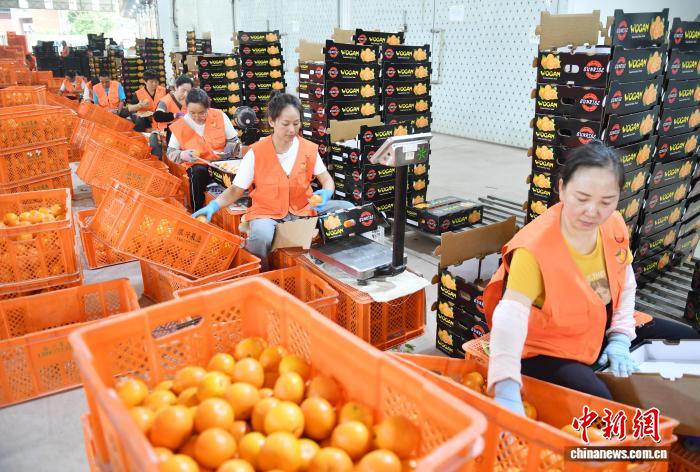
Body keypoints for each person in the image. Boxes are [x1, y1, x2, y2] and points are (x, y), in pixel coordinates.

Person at [483, 140, 700, 416]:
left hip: (600, 324)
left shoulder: (613, 224)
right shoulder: (534, 248)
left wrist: (620, 336)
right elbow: (510, 315)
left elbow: (625, 282)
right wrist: (505, 385)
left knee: (690, 341)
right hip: (549, 347)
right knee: (602, 404)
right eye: (582, 198)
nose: (592, 211)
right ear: (562, 188)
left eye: (606, 201)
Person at [193, 92, 354, 269]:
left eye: (296, 123)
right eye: (285, 124)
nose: (292, 130)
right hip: (268, 214)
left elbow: (327, 180)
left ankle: (334, 265)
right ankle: (264, 273)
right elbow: (236, 189)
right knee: (261, 237)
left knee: (348, 210)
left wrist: (326, 192)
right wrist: (213, 206)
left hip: (304, 209)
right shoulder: (256, 153)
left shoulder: (308, 149)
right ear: (272, 121)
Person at [167, 88, 241, 211]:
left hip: (222, 165)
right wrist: (183, 155)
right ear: (186, 108)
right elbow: (170, 152)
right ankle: (198, 211)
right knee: (198, 172)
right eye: (192, 113)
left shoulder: (219, 116)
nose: (197, 117)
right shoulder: (180, 126)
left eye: (202, 113)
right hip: (199, 166)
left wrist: (229, 150)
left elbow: (234, 140)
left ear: (208, 108)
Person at [150, 74, 193, 158]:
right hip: (167, 132)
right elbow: (158, 116)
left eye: (188, 92)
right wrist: (175, 115)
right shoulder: (166, 101)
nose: (186, 94)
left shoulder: (190, 101)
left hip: (185, 132)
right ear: (176, 87)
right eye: (183, 90)